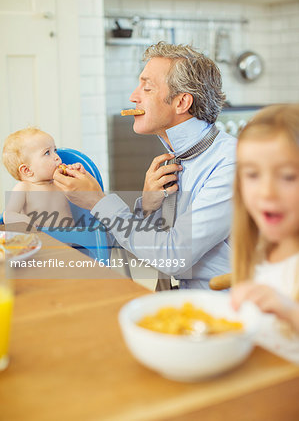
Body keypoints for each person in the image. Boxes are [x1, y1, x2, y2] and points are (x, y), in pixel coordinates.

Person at [54, 42, 237, 289]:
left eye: (147, 87)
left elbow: (174, 257)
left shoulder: (231, 163)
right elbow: (150, 251)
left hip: (224, 309)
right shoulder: (173, 159)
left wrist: (97, 202)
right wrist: (148, 207)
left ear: (182, 103)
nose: (133, 97)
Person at [230, 104, 299, 362]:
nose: (267, 191)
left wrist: (291, 312)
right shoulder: (260, 252)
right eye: (252, 175)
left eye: (288, 177)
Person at [2, 127, 84, 227]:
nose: (57, 157)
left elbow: (83, 195)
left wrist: (77, 173)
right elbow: (8, 215)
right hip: (41, 241)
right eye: (47, 153)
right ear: (27, 170)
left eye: (55, 150)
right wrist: (27, 221)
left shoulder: (60, 181)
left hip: (73, 240)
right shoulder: (24, 188)